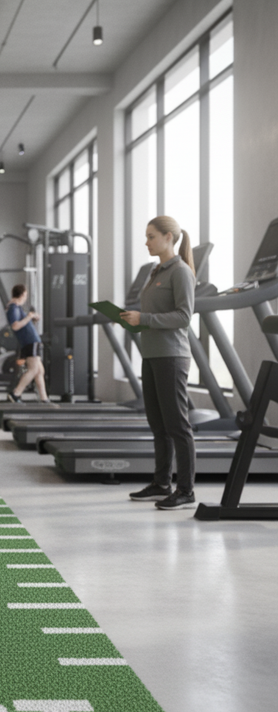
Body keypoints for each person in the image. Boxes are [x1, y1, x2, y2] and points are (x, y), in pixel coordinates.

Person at [121, 216, 197, 510]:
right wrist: (134, 320)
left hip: (172, 355)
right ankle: (161, 483)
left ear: (168, 237)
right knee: (158, 424)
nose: (147, 242)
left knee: (177, 424)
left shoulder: (180, 272)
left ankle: (186, 490)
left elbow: (184, 317)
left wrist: (145, 319)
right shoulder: (156, 272)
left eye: (151, 236)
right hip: (151, 354)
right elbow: (154, 315)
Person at [5, 284, 49, 403]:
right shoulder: (13, 308)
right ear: (23, 295)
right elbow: (15, 326)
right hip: (29, 341)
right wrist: (29, 317)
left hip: (32, 341)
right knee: (33, 369)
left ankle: (44, 398)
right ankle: (15, 394)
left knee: (40, 371)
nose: (25, 298)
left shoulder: (17, 307)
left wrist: (31, 317)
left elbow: (22, 322)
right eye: (25, 295)